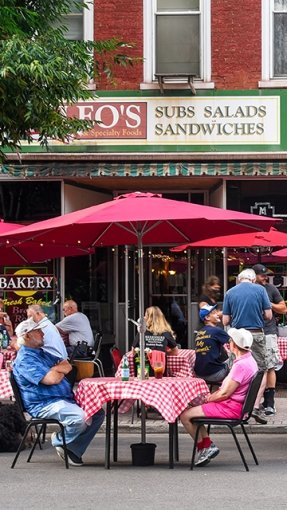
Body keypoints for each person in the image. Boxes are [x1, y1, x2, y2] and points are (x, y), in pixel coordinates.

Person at [13, 318, 105, 467]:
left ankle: (72, 449)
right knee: (80, 417)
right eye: (38, 331)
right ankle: (59, 440)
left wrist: (56, 369)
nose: (43, 333)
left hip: (61, 400)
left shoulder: (42, 352)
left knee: (97, 413)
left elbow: (67, 365)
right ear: (27, 336)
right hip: (43, 404)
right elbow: (52, 379)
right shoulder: (25, 360)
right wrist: (56, 369)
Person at [180, 328, 258, 467]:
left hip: (231, 407)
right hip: (236, 405)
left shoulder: (240, 365)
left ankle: (205, 448)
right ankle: (207, 446)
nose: (228, 343)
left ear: (234, 345)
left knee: (185, 416)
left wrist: (208, 399)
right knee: (193, 412)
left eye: (230, 341)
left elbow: (224, 394)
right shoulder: (250, 360)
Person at [222, 268, 272, 424]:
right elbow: (269, 315)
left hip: (236, 336)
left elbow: (225, 321)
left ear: (239, 279)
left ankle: (235, 407)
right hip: (256, 334)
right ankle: (255, 406)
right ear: (253, 279)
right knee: (261, 370)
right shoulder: (260, 290)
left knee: (236, 370)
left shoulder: (230, 292)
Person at [252, 263, 287, 415]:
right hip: (251, 332)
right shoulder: (249, 290)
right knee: (253, 368)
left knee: (270, 366)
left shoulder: (271, 289)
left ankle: (270, 403)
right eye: (262, 275)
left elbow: (284, 309)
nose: (265, 277)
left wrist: (268, 303)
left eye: (266, 274)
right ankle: (254, 402)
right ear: (253, 276)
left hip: (268, 331)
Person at [194, 304, 230, 382]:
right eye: (214, 313)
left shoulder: (199, 332)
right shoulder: (217, 330)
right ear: (207, 318)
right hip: (215, 374)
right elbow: (234, 343)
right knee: (237, 363)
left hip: (199, 374)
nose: (217, 314)